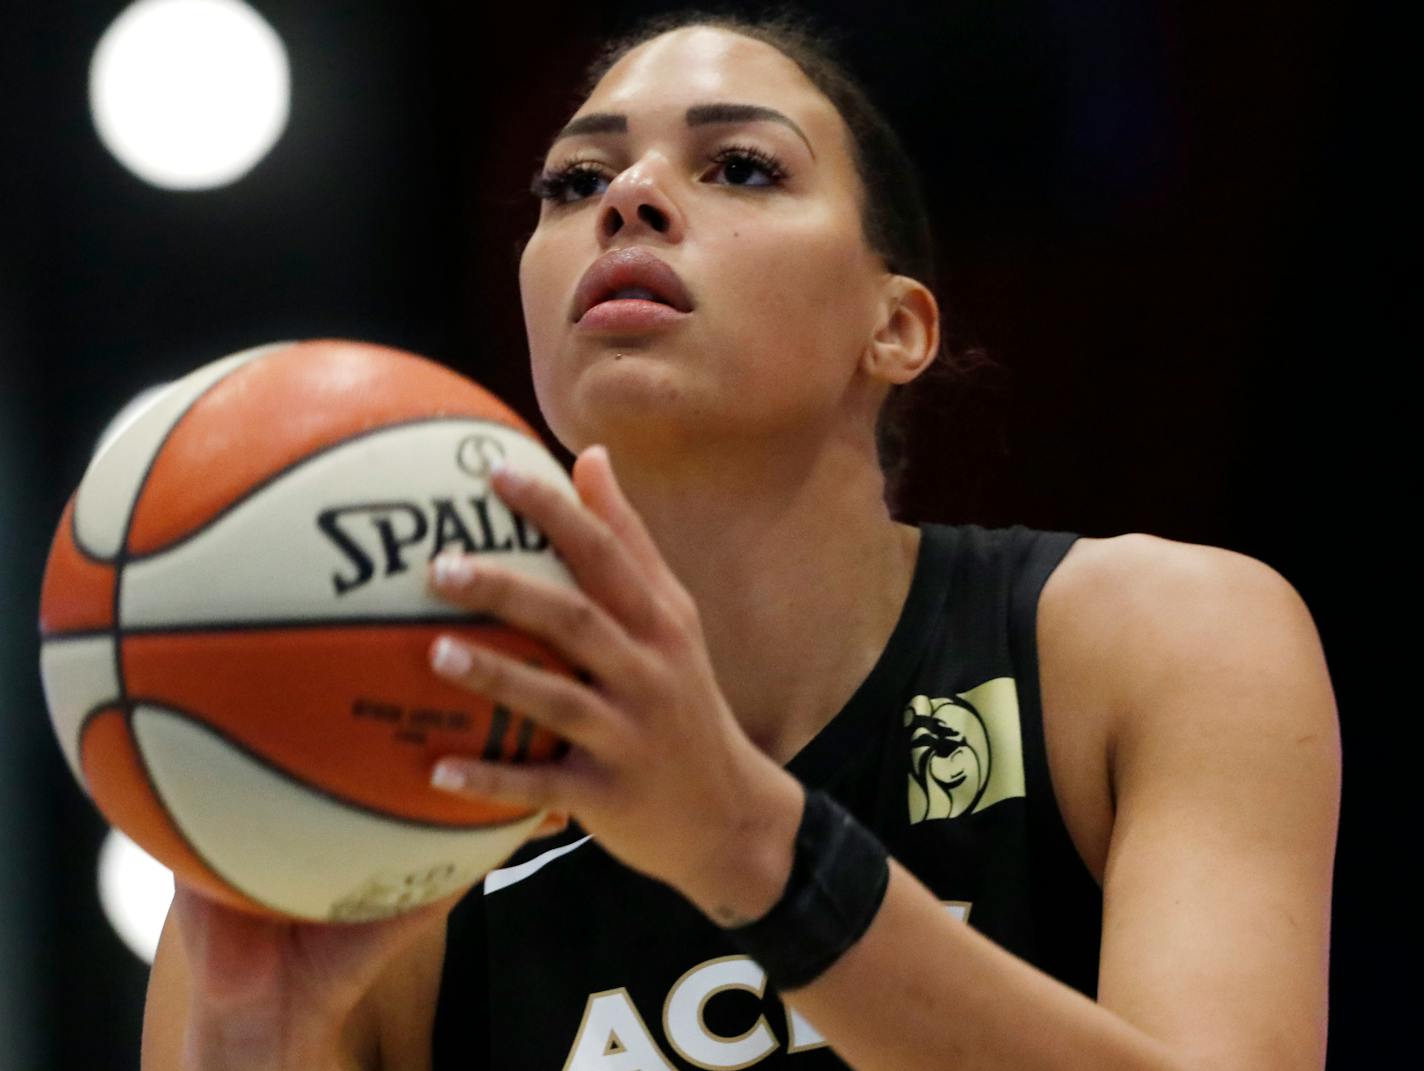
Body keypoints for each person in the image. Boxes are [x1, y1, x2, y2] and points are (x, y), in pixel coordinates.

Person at [141, 10, 1341, 1070]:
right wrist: (249, 1046)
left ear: (897, 326)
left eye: (741, 165)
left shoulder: (1154, 639)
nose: (627, 198)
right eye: (571, 182)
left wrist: (741, 840)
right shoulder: (374, 800)